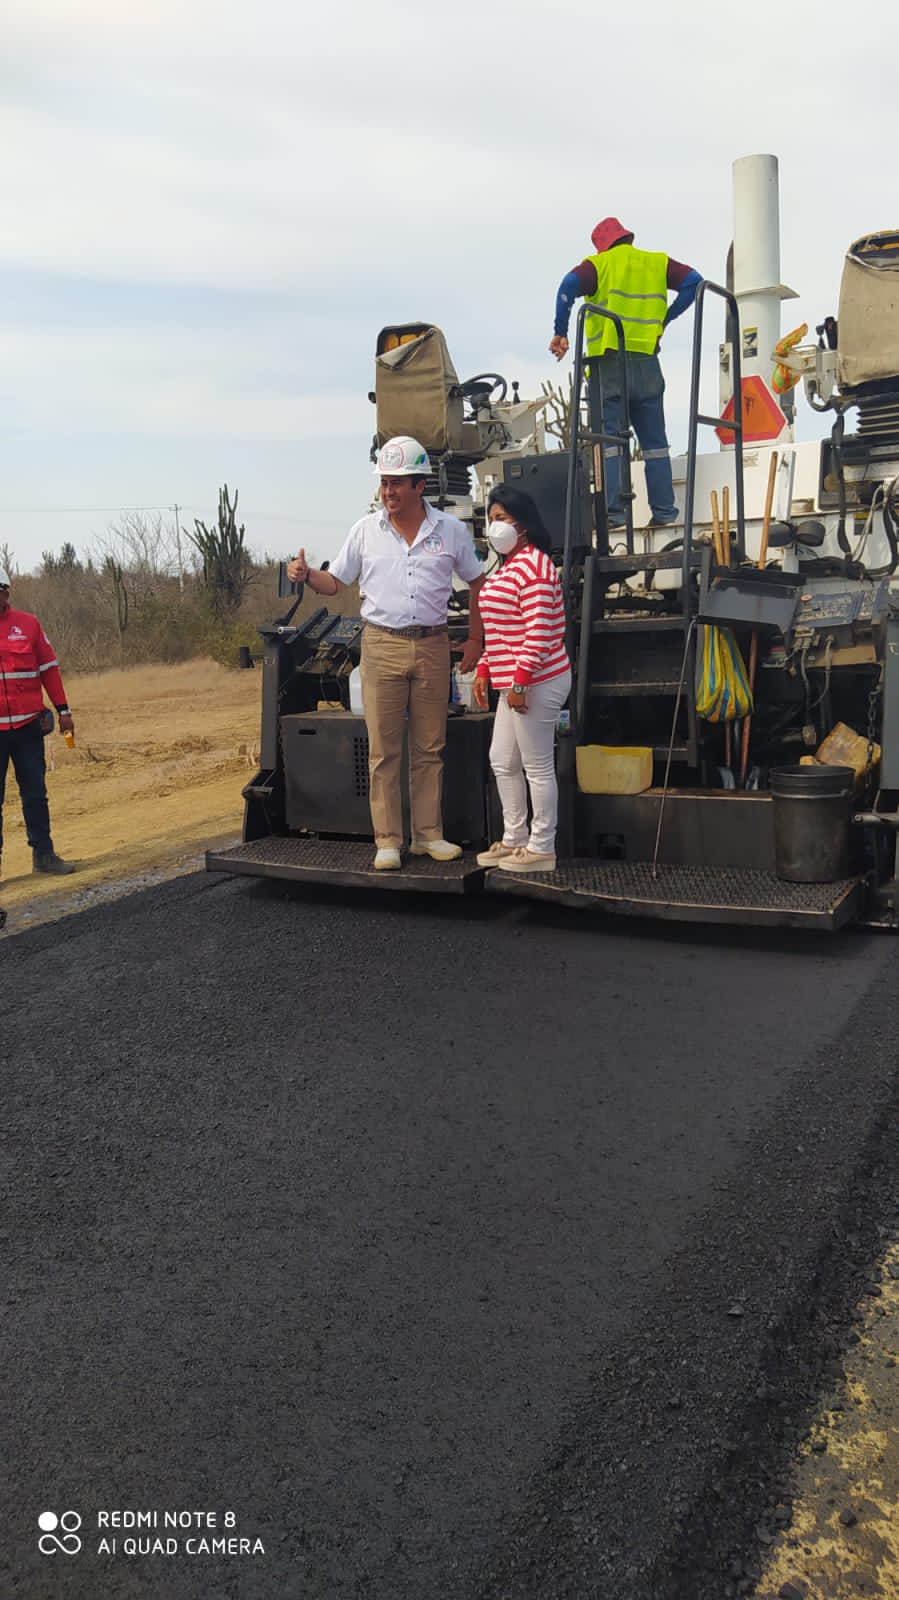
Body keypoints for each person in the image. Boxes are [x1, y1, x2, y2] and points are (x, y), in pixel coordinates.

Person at [287, 436, 485, 871]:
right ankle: (388, 841)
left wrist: (475, 639)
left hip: (433, 645)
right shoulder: (365, 530)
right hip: (381, 645)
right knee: (383, 750)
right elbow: (335, 582)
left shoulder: (450, 531)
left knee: (430, 746)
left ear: (420, 486)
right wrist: (306, 575)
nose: (388, 492)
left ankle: (428, 835)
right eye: (384, 483)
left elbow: (477, 581)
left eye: (397, 483)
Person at [549, 216, 701, 529]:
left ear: (602, 246)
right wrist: (665, 319)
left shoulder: (598, 265)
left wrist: (560, 331)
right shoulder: (656, 263)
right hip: (647, 363)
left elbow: (566, 288)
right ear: (627, 238)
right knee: (655, 443)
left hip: (609, 365)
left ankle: (615, 514)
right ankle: (665, 511)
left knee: (610, 440)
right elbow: (695, 283)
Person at [472, 487, 571, 874]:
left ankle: (542, 846)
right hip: (514, 682)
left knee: (537, 765)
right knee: (503, 760)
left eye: (501, 518)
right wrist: (485, 668)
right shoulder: (506, 568)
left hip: (537, 681)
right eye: (491, 519)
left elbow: (539, 631)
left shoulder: (536, 566)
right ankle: (515, 838)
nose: (494, 526)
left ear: (522, 524)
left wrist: (519, 683)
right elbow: (500, 631)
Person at [0, 567, 76, 877]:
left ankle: (44, 856)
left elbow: (49, 669)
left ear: (6, 592)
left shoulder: (29, 624)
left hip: (28, 728)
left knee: (35, 793)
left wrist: (63, 711)